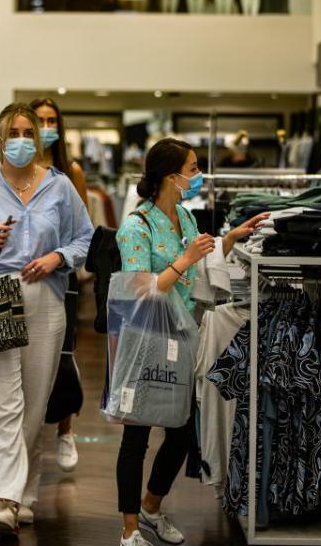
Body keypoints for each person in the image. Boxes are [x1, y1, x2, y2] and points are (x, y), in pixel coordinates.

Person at [114, 138, 267, 546]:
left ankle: (151, 507)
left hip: (182, 338)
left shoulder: (184, 216)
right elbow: (138, 290)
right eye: (193, 168)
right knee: (137, 436)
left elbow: (201, 269)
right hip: (146, 339)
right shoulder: (135, 226)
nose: (197, 176)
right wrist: (184, 260)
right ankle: (129, 528)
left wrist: (230, 239)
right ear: (170, 175)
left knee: (181, 433)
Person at [0, 102, 95, 536]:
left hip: (45, 299)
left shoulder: (59, 186)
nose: (20, 140)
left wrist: (57, 256)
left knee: (34, 405)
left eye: (26, 132)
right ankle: (1, 500)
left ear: (37, 139)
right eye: (11, 133)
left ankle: (25, 494)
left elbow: (85, 238)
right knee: (1, 404)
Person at [31, 97, 88, 474]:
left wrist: (60, 256)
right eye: (40, 120)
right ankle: (32, 431)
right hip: (24, 275)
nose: (46, 126)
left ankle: (66, 430)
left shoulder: (71, 171)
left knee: (62, 354)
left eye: (52, 120)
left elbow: (82, 230)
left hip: (61, 275)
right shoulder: (17, 170)